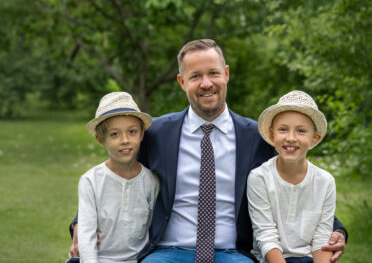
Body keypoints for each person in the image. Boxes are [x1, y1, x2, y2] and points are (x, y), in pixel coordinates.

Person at [69, 39, 347, 263]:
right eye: (195, 76)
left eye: (213, 73)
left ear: (226, 74)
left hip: (233, 252)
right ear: (181, 82)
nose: (206, 83)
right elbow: (118, 175)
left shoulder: (257, 138)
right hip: (167, 251)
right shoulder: (157, 134)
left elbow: (294, 182)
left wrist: (336, 229)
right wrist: (80, 225)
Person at [247, 90, 336, 263]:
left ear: (314, 139)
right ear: (272, 134)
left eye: (301, 131)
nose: (291, 138)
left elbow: (322, 239)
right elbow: (266, 236)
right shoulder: (259, 178)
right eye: (283, 130)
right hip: (271, 259)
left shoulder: (325, 182)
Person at [72, 92, 159, 263]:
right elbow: (86, 235)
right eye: (114, 134)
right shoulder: (90, 181)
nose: (125, 140)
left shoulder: (151, 181)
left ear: (142, 135)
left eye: (132, 132)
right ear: (100, 139)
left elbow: (152, 232)